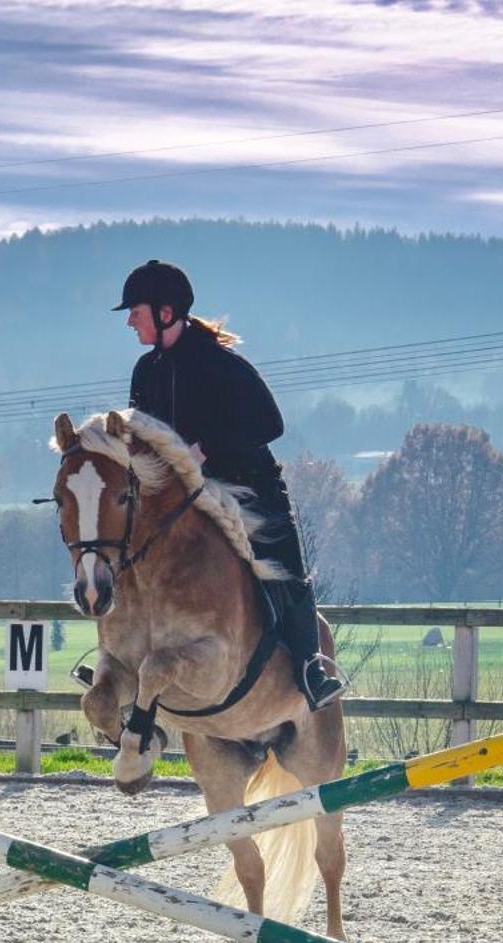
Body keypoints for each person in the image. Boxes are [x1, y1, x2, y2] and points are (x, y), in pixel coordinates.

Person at [115, 258, 345, 710]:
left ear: (165, 313)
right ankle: (119, 657)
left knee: (286, 566)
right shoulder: (146, 371)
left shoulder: (223, 365)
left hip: (245, 486)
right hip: (181, 498)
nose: (129, 321)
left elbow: (270, 423)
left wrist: (207, 450)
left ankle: (309, 666)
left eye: (135, 312)